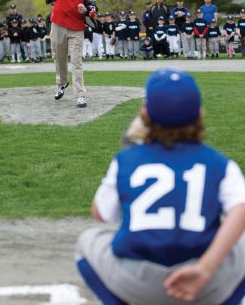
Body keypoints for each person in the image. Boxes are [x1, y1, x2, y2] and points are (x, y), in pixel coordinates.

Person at [76, 68, 245, 305]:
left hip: (137, 285)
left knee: (88, 240)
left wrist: (128, 153)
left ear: (145, 115)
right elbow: (241, 209)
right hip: (203, 283)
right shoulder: (220, 164)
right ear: (200, 114)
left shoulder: (127, 160)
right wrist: (206, 268)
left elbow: (101, 214)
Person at [48, 0, 97, 107]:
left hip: (76, 28)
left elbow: (94, 9)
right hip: (58, 25)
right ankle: (62, 83)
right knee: (59, 57)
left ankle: (80, 95)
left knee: (76, 62)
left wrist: (87, 10)